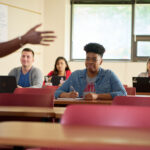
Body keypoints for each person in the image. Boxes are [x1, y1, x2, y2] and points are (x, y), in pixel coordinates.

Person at [55, 43, 127, 100]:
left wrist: (98, 96)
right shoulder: (75, 75)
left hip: (102, 113)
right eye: (88, 59)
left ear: (101, 61)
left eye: (94, 59)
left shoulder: (109, 75)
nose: (90, 62)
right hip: (79, 112)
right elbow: (57, 92)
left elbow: (123, 93)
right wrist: (67, 95)